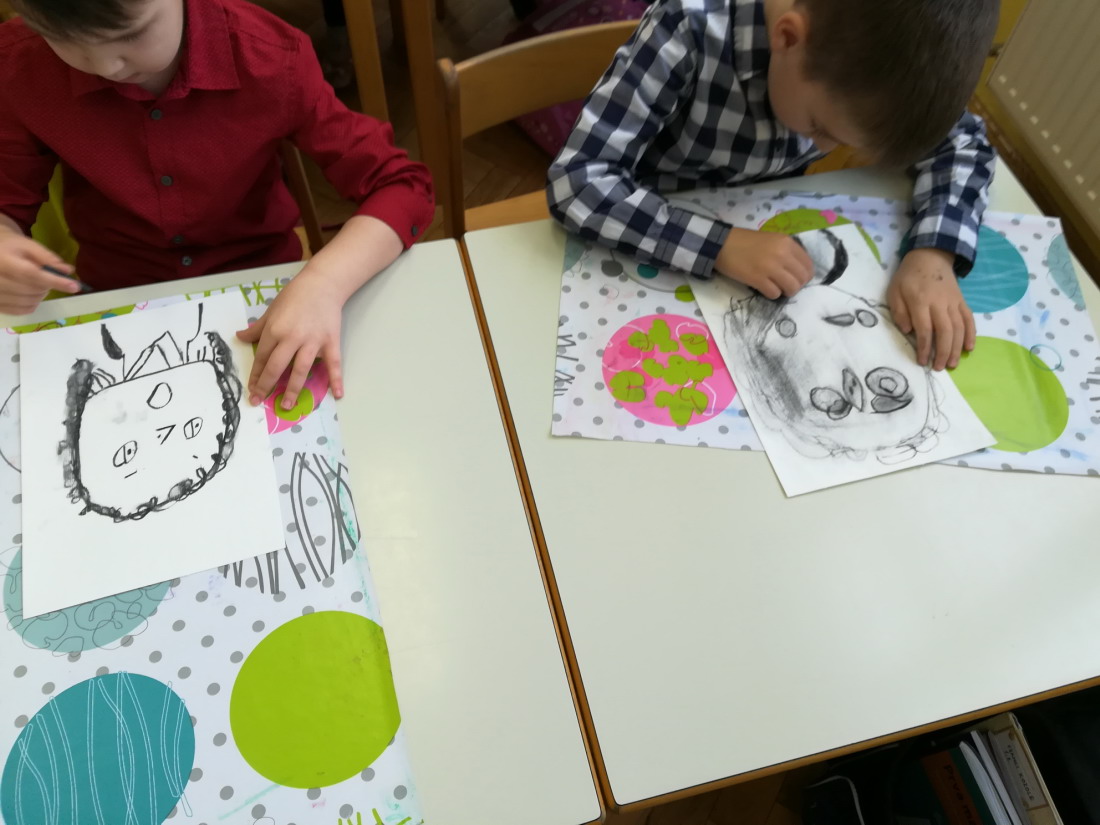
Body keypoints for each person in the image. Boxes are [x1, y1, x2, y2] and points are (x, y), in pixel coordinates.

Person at [0, 0, 434, 407]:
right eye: (64, 40)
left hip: (266, 295)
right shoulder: (19, 65)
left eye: (130, 34)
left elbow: (403, 187)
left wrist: (325, 282)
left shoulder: (270, 56)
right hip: (117, 296)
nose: (106, 66)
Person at [547, 0, 999, 371]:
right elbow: (579, 180)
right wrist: (720, 246)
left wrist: (933, 254)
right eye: (821, 127)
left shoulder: (876, 69)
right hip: (649, 236)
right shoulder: (688, 28)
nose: (821, 147)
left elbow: (965, 145)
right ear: (787, 37)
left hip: (761, 230)